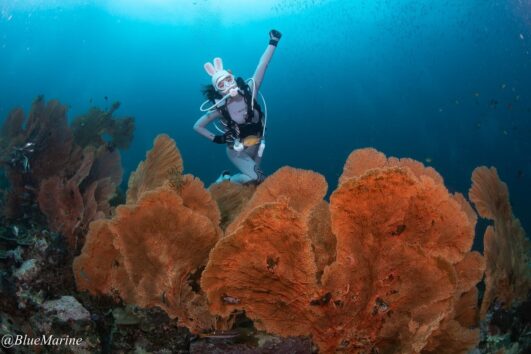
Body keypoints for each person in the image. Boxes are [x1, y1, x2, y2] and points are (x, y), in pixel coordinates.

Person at [193, 29, 282, 184]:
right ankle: (226, 181)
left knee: (252, 182)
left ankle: (225, 181)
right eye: (221, 85)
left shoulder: (250, 91)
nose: (227, 85)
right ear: (218, 91)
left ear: (233, 78)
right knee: (259, 179)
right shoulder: (220, 108)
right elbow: (197, 126)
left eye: (228, 80)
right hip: (237, 150)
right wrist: (217, 139)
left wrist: (273, 42)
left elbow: (263, 65)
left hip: (258, 143)